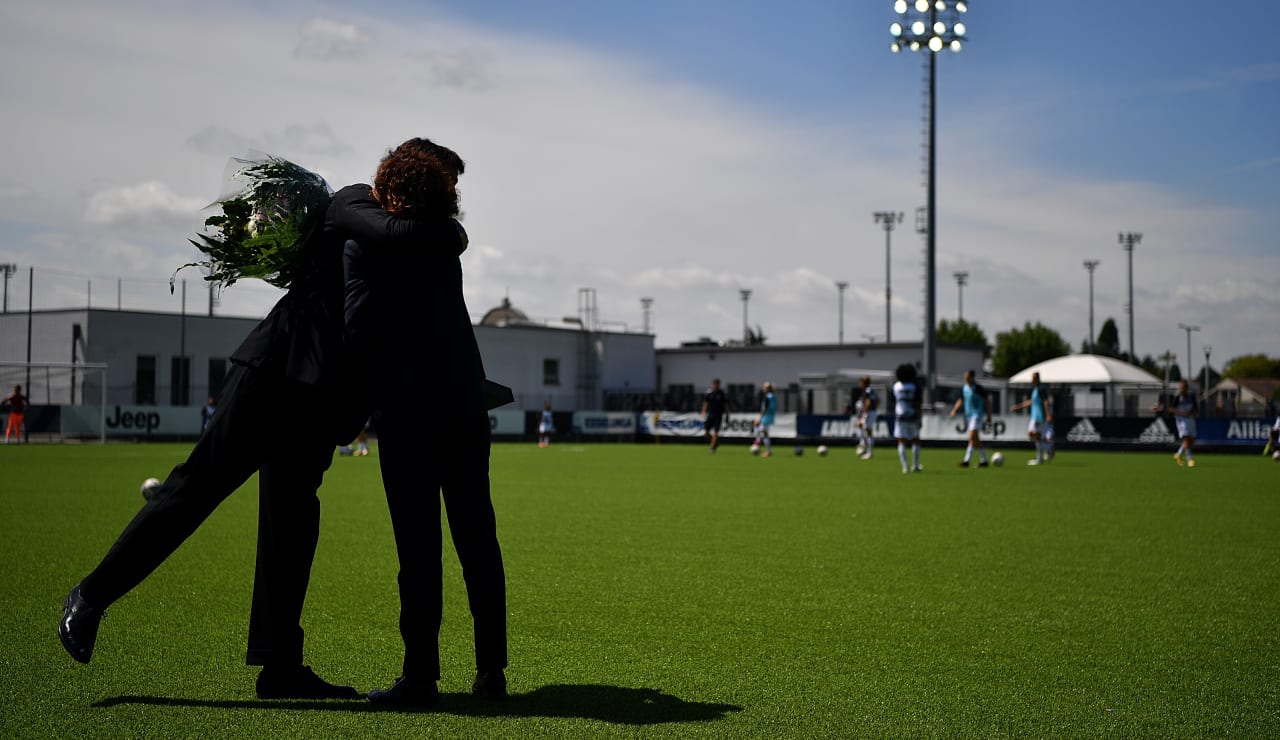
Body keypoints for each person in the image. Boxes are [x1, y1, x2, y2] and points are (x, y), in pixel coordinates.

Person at [56, 168, 452, 699]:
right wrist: (453, 232)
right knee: (193, 491)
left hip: (316, 399)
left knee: (292, 525)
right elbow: (393, 238)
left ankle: (280, 665)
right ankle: (90, 595)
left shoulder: (403, 250)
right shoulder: (355, 201)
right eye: (442, 193)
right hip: (272, 371)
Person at [342, 139, 507, 707]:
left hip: (408, 411)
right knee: (477, 539)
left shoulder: (364, 248)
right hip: (463, 405)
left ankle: (420, 678)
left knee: (418, 549)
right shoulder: (447, 243)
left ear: (388, 192)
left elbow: (358, 329)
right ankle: (491, 673)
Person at [948, 369, 989, 468]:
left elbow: (986, 401)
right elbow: (961, 400)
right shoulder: (964, 388)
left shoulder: (978, 389)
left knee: (971, 437)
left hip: (977, 415)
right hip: (969, 415)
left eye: (967, 376)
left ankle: (967, 461)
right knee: (975, 439)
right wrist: (954, 410)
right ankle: (984, 461)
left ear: (972, 377)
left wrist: (989, 415)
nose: (965, 377)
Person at [1153, 379, 1198, 467]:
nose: (1182, 389)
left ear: (1186, 388)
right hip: (1181, 420)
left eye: (1183, 388)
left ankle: (1179, 454)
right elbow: (1171, 409)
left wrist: (1193, 414)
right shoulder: (1177, 397)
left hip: (1190, 419)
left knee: (1191, 440)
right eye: (1181, 388)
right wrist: (1182, 413)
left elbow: (1196, 409)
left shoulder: (1191, 396)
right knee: (1186, 438)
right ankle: (1190, 459)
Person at [1011, 371, 1052, 466]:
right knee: (1033, 435)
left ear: (1037, 378)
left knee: (1036, 437)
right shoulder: (1035, 389)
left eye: (1033, 378)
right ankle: (1047, 449)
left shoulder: (1041, 389)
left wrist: (1048, 414)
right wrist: (1018, 406)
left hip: (1040, 416)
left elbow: (1046, 402)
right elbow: (1031, 401)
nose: (1032, 380)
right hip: (1035, 416)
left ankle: (1041, 457)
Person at [892, 364, 923, 474]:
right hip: (912, 415)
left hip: (900, 416)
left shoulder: (896, 386)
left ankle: (905, 467)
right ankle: (915, 465)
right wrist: (920, 418)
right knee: (915, 440)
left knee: (901, 441)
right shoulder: (915, 387)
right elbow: (918, 404)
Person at [700, 378, 728, 453]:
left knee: (716, 431)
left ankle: (712, 448)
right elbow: (706, 403)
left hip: (718, 415)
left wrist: (727, 413)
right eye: (715, 384)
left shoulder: (721, 393)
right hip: (710, 414)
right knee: (706, 431)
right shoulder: (709, 393)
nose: (716, 386)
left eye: (717, 384)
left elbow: (725, 404)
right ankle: (715, 442)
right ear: (713, 385)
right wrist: (703, 411)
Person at [856, 376, 878, 460]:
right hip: (871, 412)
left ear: (864, 383)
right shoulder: (870, 390)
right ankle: (863, 448)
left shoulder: (867, 391)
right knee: (864, 430)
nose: (860, 384)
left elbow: (868, 403)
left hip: (869, 413)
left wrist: (864, 415)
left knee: (868, 432)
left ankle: (870, 452)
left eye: (861, 382)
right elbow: (877, 400)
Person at [753, 381, 777, 457]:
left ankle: (768, 451)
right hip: (769, 417)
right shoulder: (772, 396)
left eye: (764, 387)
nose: (763, 388)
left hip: (766, 417)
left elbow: (765, 409)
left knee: (764, 433)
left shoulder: (768, 397)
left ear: (768, 388)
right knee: (760, 431)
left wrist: (759, 419)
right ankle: (757, 442)